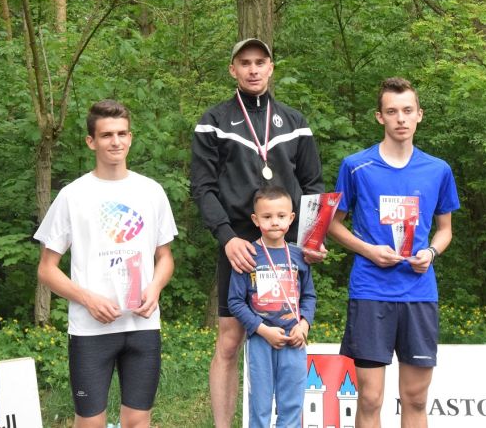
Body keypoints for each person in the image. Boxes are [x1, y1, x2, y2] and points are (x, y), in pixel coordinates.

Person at [191, 37, 324, 428]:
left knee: (290, 330)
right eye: (245, 63)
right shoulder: (214, 121)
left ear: (271, 67)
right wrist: (227, 237)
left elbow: (313, 186)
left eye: (260, 62)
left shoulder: (295, 122)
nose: (253, 69)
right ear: (232, 69)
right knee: (230, 339)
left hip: (287, 243)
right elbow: (203, 187)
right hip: (239, 244)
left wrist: (311, 241)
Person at [35, 100, 177, 428]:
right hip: (91, 328)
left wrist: (155, 287)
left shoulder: (152, 192)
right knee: (90, 423)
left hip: (142, 326)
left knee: (138, 420)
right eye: (107, 135)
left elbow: (165, 258)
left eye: (122, 133)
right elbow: (46, 268)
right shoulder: (73, 195)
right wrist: (88, 299)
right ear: (91, 141)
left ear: (131, 138)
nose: (116, 141)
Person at [327, 77, 460, 428]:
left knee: (415, 398)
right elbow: (333, 225)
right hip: (371, 291)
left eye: (407, 110)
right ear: (379, 117)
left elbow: (445, 230)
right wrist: (369, 251)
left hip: (419, 293)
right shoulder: (356, 166)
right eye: (392, 111)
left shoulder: (438, 170)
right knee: (370, 398)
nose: (400, 118)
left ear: (419, 115)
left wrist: (431, 252)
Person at [228, 186, 316, 428]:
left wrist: (304, 326)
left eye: (281, 216)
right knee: (260, 406)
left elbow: (309, 296)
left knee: (292, 406)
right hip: (261, 340)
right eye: (267, 216)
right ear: (256, 220)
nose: (274, 222)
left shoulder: (299, 255)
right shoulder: (248, 254)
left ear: (291, 218)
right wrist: (262, 330)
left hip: (294, 339)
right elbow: (235, 301)